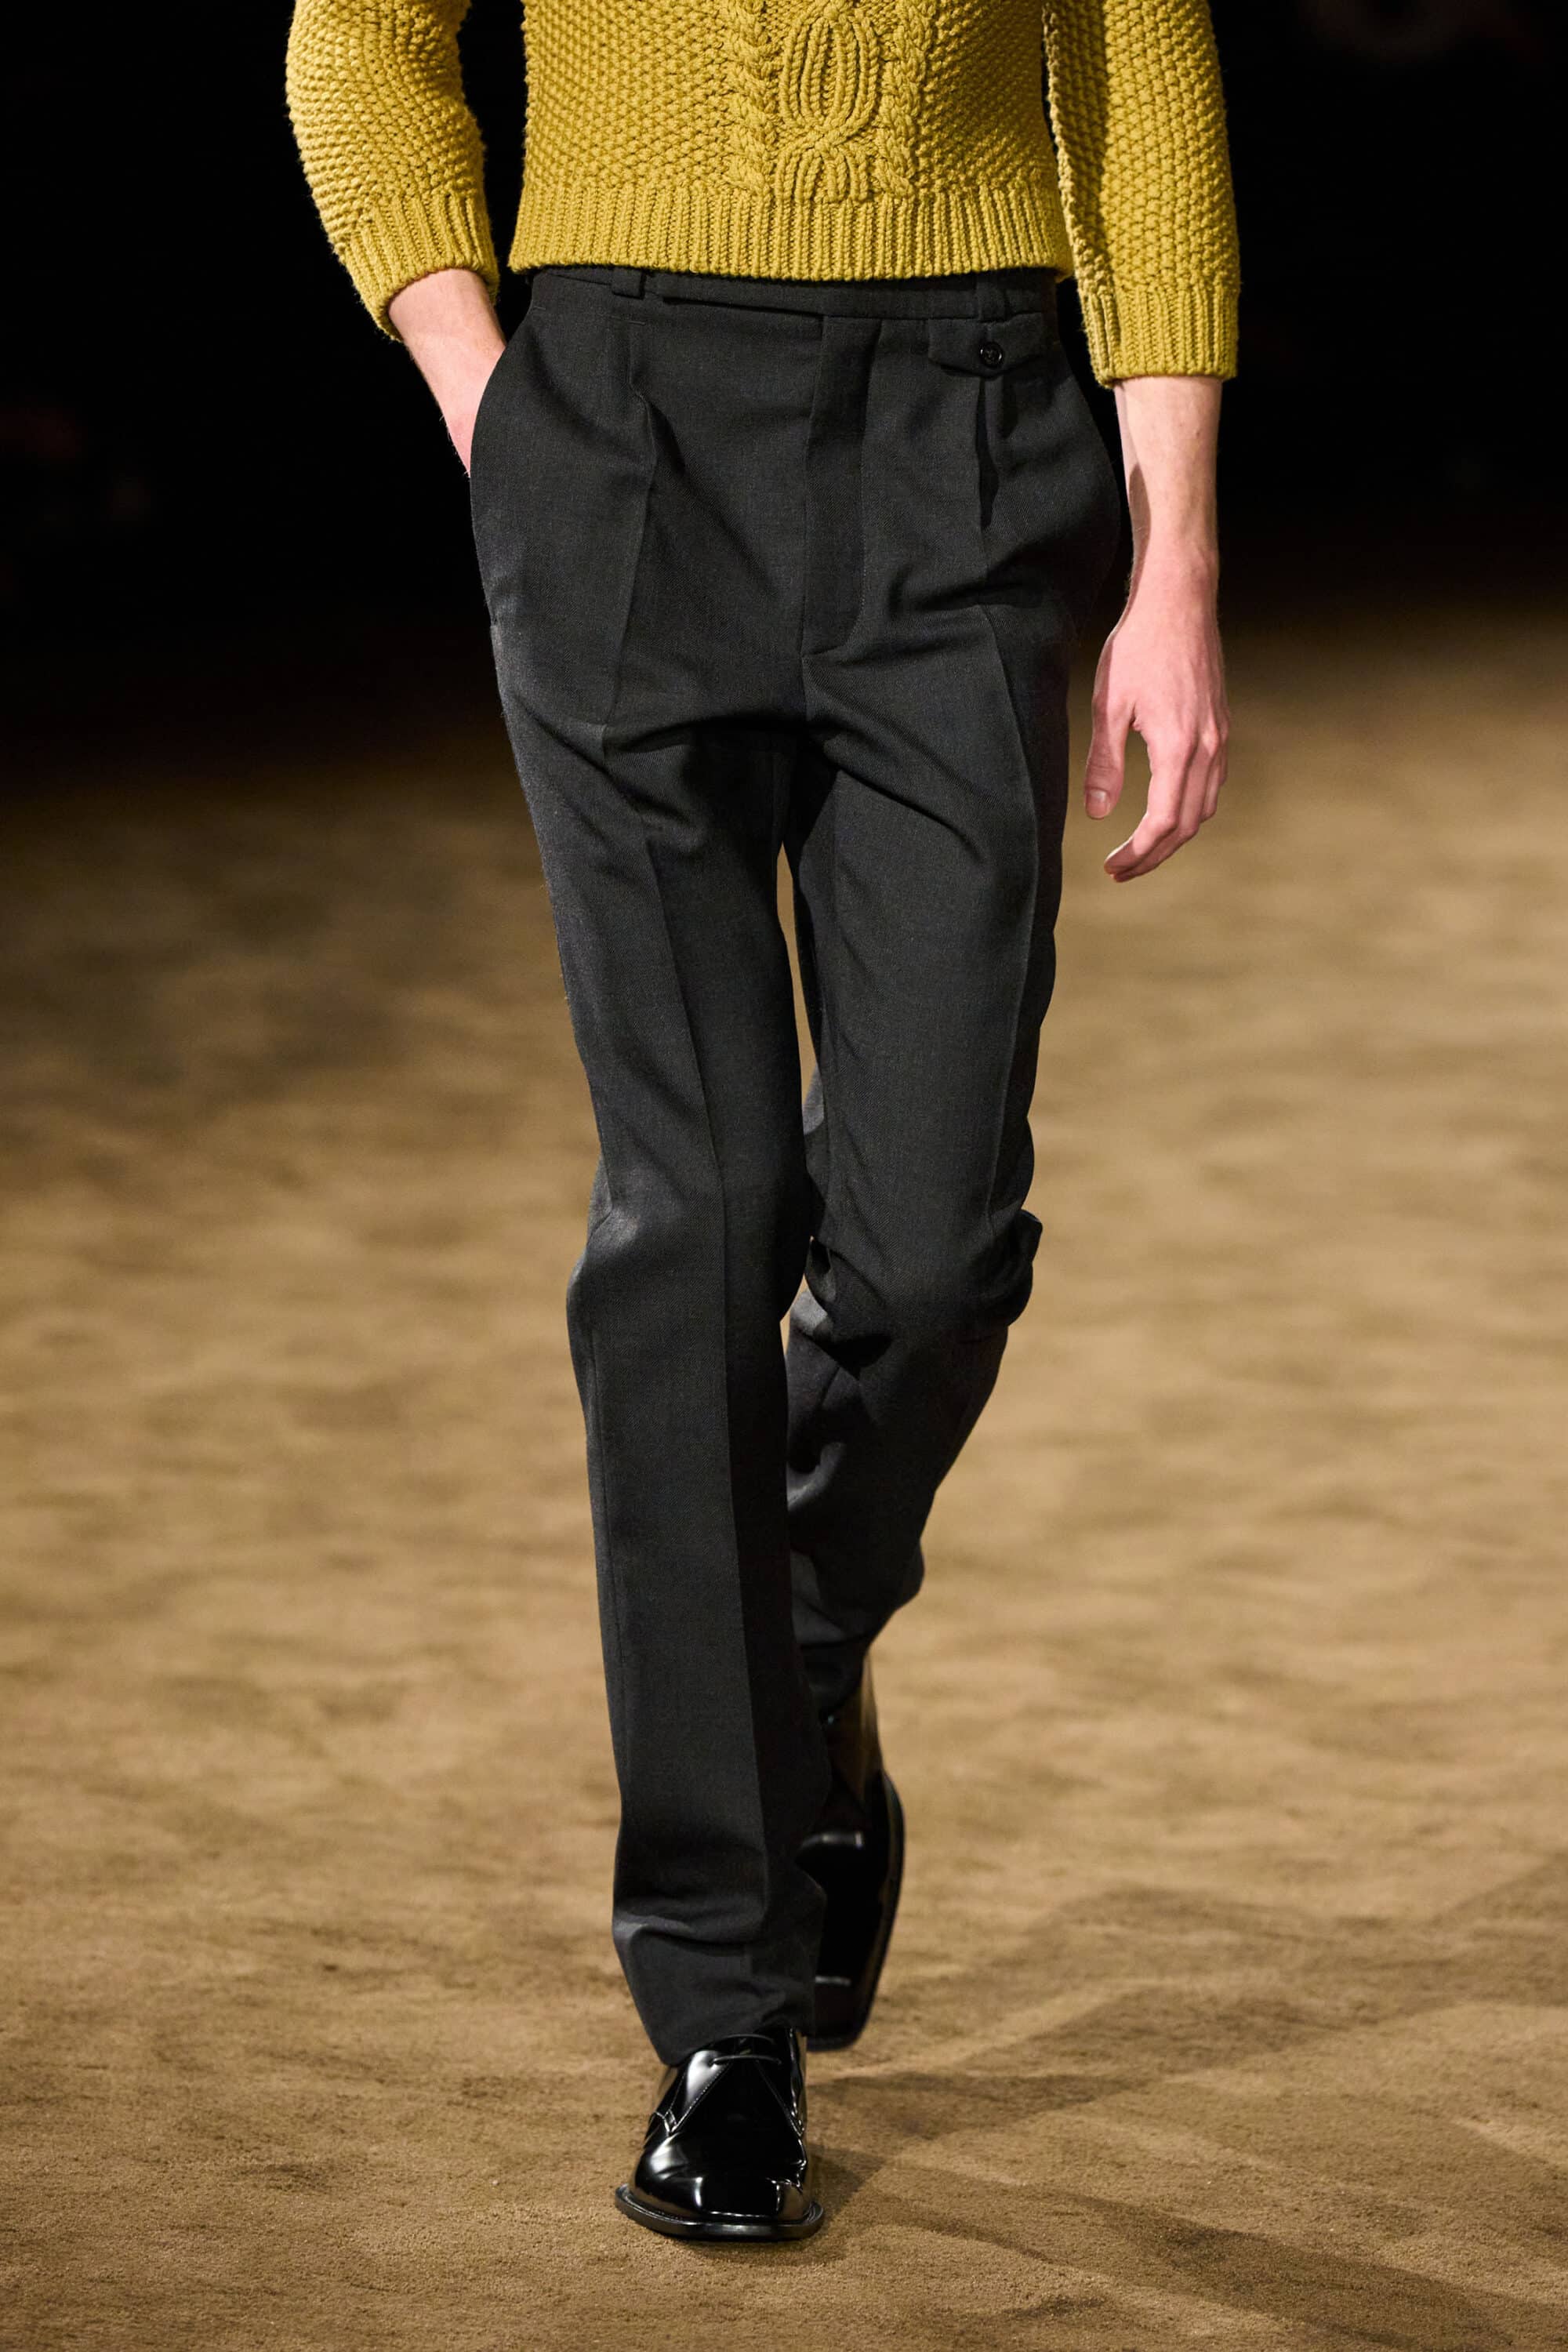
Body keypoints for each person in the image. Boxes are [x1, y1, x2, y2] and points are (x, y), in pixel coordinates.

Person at [285, 0, 1238, 2245]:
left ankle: (782, 1660)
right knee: (696, 1223)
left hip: (972, 426)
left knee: (933, 1249)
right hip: (621, 421)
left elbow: (1144, 74)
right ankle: (727, 2009)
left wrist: (1177, 558)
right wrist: (490, 397)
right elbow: (357, 40)